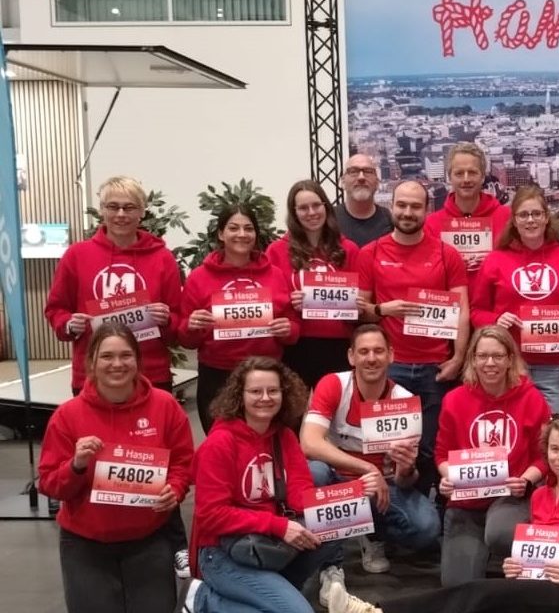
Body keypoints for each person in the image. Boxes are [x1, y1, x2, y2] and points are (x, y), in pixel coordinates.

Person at [43, 175, 189, 577]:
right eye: (113, 207)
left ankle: (171, 542)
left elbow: (178, 322)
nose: (121, 215)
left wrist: (165, 319)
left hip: (151, 374)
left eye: (129, 207)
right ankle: (93, 542)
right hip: (91, 375)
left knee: (153, 461)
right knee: (96, 457)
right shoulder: (77, 256)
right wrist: (68, 324)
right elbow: (55, 311)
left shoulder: (162, 258)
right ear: (101, 210)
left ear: (143, 212)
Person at [337, 415, 559, 613]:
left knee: (478, 594)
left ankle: (375, 610)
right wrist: (517, 564)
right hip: (536, 583)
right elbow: (541, 547)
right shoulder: (541, 494)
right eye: (555, 449)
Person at [38, 323, 194, 613]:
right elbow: (48, 483)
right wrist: (77, 465)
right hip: (86, 545)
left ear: (138, 360)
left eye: (126, 355)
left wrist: (176, 487)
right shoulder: (67, 416)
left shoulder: (165, 406)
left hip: (150, 540)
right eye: (107, 356)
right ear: (91, 363)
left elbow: (183, 462)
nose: (117, 364)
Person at [180, 357, 346, 613]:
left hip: (267, 543)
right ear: (239, 396)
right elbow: (210, 515)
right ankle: (202, 599)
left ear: (284, 393)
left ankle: (268, 594)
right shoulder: (219, 443)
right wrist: (278, 525)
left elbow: (299, 497)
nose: (265, 398)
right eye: (255, 391)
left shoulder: (285, 436)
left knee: (337, 526)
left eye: (273, 390)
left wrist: (348, 497)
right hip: (222, 551)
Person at [356, 180, 470, 494]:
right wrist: (383, 309)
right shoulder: (370, 253)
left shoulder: (448, 254)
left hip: (436, 367)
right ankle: (386, 521)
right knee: (386, 450)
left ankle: (429, 516)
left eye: (415, 206)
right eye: (402, 205)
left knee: (430, 449)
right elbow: (359, 310)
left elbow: (462, 310)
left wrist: (458, 358)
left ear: (426, 210)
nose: (407, 213)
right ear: (391, 206)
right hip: (389, 369)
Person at [301, 324, 441, 575]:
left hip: (383, 487)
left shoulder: (405, 401)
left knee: (427, 528)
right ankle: (330, 559)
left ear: (391, 355)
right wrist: (366, 468)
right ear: (351, 356)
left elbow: (405, 481)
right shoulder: (333, 384)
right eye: (364, 352)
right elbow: (309, 443)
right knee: (314, 471)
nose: (371, 358)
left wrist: (406, 468)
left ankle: (371, 533)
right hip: (338, 481)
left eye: (378, 351)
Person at [435, 325, 550, 586]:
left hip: (512, 497)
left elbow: (543, 457)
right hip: (466, 501)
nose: (490, 363)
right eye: (482, 356)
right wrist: (448, 478)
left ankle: (508, 558)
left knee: (499, 533)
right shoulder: (454, 400)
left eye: (498, 356)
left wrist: (526, 480)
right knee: (457, 588)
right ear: (472, 359)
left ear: (510, 359)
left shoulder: (532, 398)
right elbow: (442, 453)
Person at [470, 185, 559, 412]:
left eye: (536, 214)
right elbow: (476, 313)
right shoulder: (495, 261)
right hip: (505, 367)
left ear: (546, 218)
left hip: (553, 369)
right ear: (514, 220)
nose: (530, 220)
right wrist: (496, 320)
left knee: (554, 436)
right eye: (523, 214)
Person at [178, 204, 299, 433]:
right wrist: (192, 326)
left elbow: (293, 330)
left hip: (267, 372)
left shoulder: (275, 274)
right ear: (221, 234)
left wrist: (288, 330)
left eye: (248, 228)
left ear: (255, 234)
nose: (242, 234)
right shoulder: (198, 278)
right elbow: (185, 339)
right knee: (221, 442)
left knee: (268, 441)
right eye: (233, 228)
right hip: (217, 375)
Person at [267, 180, 361, 388]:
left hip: (339, 345)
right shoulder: (276, 251)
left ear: (326, 207)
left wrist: (355, 303)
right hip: (296, 346)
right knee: (295, 414)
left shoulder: (349, 249)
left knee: (337, 413)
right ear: (294, 213)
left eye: (316, 205)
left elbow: (359, 303)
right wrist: (290, 302)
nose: (311, 212)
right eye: (303, 207)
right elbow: (271, 302)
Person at [424, 142, 511, 282]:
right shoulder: (431, 224)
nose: (466, 179)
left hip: (494, 301)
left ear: (482, 176)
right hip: (451, 301)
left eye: (472, 172)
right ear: (449, 177)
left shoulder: (507, 218)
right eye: (459, 173)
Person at [336, 154, 393, 249]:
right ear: (343, 182)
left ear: (377, 183)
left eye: (368, 171)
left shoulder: (390, 221)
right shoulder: (329, 220)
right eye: (353, 171)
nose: (361, 177)